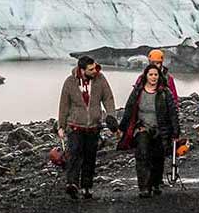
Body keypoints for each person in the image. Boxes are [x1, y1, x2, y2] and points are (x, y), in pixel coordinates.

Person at [57, 56, 118, 200]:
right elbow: (64, 104)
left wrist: (111, 116)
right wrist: (61, 125)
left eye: (95, 67)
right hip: (75, 126)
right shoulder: (70, 82)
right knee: (74, 154)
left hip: (93, 126)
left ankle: (86, 186)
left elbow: (108, 98)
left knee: (90, 157)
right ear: (82, 70)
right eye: (91, 69)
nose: (94, 70)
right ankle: (72, 184)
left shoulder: (100, 79)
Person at [117, 63, 180, 198]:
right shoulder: (138, 91)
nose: (153, 77)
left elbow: (172, 112)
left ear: (159, 76)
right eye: (151, 74)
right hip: (142, 128)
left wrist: (175, 132)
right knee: (142, 155)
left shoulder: (165, 92)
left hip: (160, 129)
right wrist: (122, 128)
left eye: (156, 74)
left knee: (158, 157)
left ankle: (156, 183)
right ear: (145, 76)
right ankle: (144, 187)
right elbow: (129, 109)